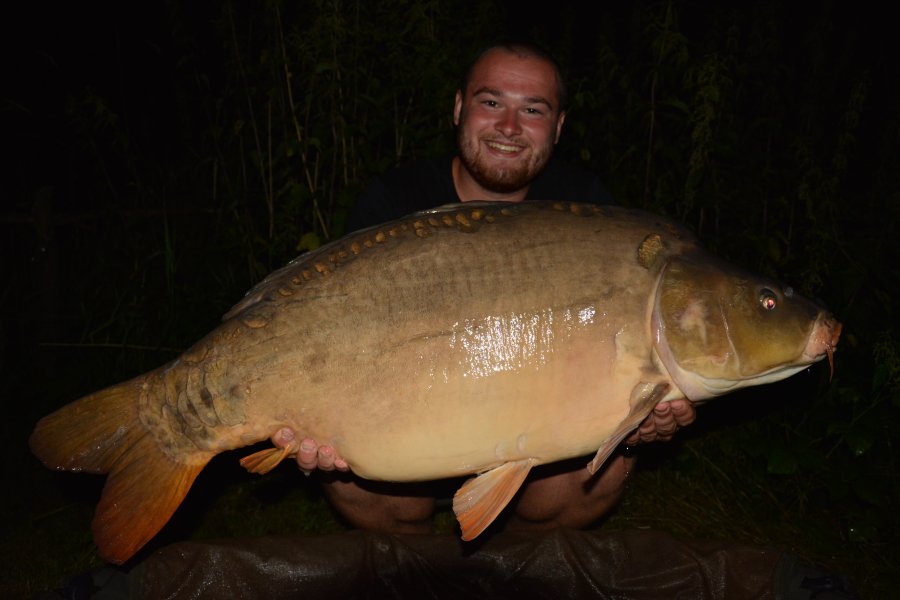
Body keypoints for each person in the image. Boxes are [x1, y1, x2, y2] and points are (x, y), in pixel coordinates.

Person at [271, 41, 696, 535]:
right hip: (407, 430)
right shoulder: (395, 200)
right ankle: (414, 573)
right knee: (370, 493)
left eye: (532, 110)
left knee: (592, 481)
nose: (509, 128)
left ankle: (513, 573)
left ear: (558, 127)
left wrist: (640, 423)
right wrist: (312, 424)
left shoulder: (589, 212)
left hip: (533, 439)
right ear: (458, 108)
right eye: (491, 102)